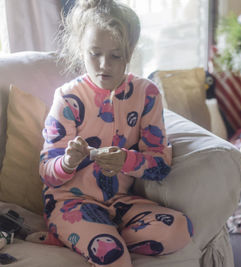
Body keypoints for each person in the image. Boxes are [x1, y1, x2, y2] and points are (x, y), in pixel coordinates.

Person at [38, 0, 193, 266]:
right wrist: (68, 162)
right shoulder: (68, 98)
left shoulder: (147, 94)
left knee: (179, 229)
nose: (103, 65)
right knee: (114, 256)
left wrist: (126, 161)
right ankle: (86, 234)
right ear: (80, 50)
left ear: (130, 52)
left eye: (115, 55)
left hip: (119, 202)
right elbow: (47, 172)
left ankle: (90, 236)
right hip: (70, 204)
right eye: (94, 53)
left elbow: (160, 165)